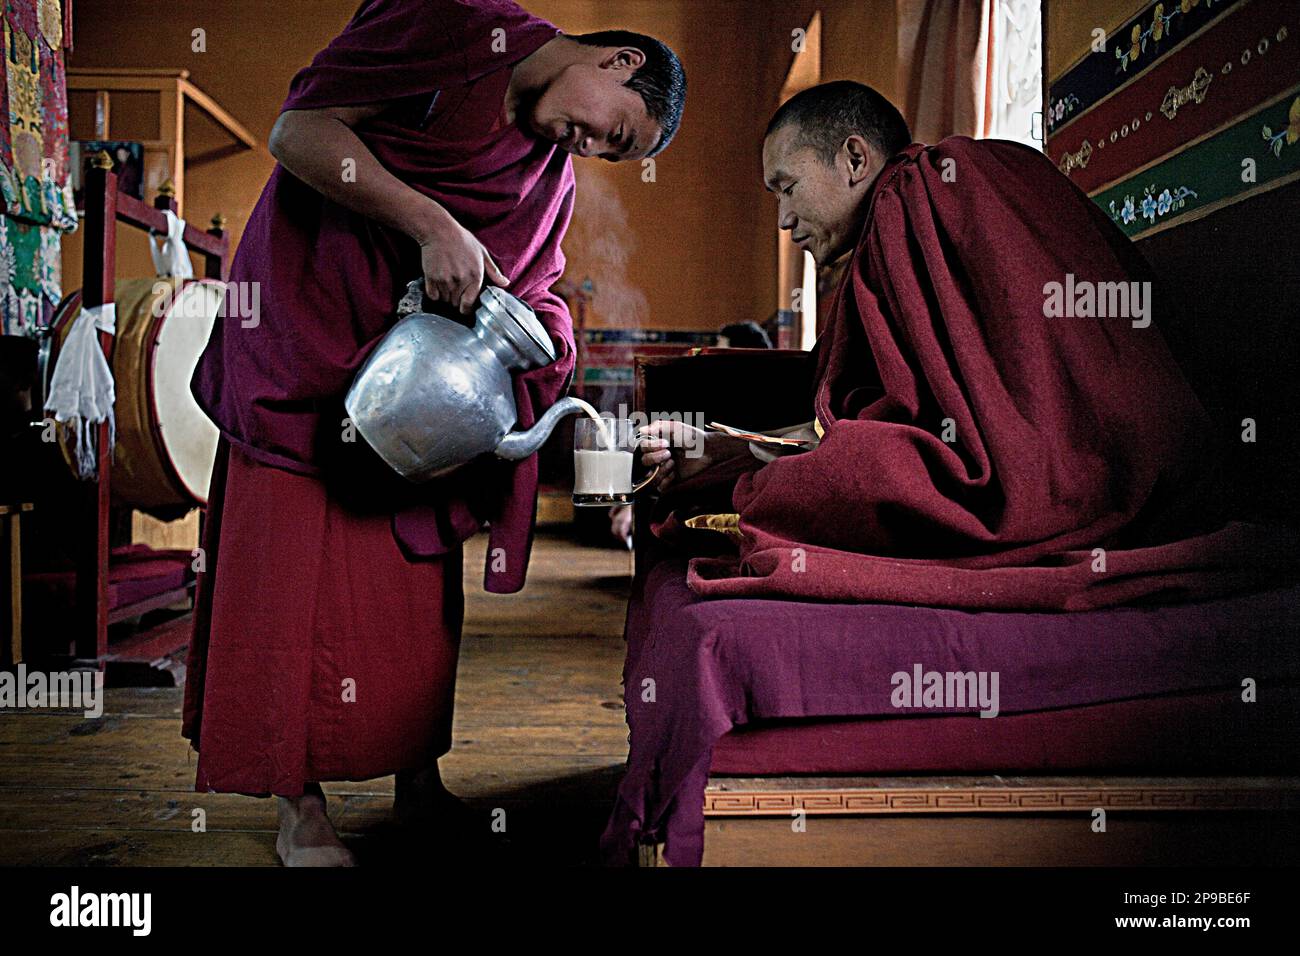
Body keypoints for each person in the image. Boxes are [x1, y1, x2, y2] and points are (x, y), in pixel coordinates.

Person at [181, 0, 685, 866]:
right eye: (616, 134)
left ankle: (419, 783)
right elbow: (299, 131)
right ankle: (298, 814)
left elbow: (531, 276)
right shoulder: (450, 24)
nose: (592, 152)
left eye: (612, 155)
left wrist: (546, 330)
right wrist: (429, 222)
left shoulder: (547, 172)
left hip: (415, 379)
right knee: (286, 580)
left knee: (411, 586)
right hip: (308, 326)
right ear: (619, 63)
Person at [639, 80, 1294, 611]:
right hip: (1144, 458)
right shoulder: (934, 199)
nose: (783, 220)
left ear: (855, 158)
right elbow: (908, 414)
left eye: (786, 187)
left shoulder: (921, 193)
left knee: (831, 484)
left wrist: (763, 464)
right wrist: (741, 448)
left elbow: (953, 443)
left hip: (1068, 471)